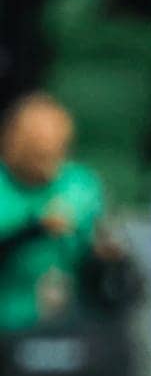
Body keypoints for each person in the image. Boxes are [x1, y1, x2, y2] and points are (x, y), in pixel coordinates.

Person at [0, 94, 104, 334]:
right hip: (7, 327)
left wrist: (105, 254)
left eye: (57, 149)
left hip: (71, 326)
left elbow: (93, 252)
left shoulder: (81, 183)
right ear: (11, 142)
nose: (48, 162)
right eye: (37, 151)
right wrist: (35, 228)